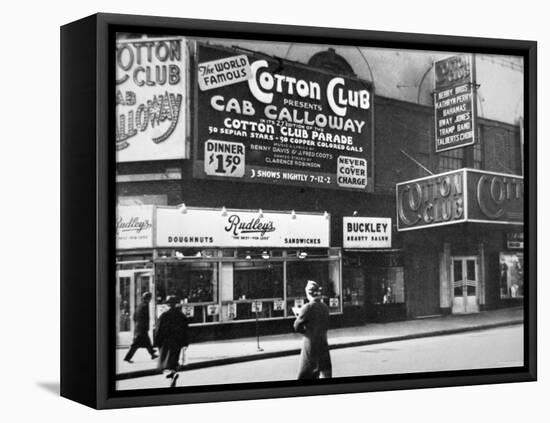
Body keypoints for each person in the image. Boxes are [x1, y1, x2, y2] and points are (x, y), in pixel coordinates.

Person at [293, 280, 332, 380]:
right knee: (325, 373)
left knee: (305, 374)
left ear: (308, 293)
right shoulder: (325, 307)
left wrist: (306, 331)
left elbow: (297, 326)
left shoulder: (307, 307)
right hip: (323, 343)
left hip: (310, 345)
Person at [154, 295, 190, 387]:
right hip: (177, 341)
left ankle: (170, 374)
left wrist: (157, 342)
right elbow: (186, 330)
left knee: (165, 360)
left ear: (168, 305)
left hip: (166, 342)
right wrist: (186, 342)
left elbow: (159, 329)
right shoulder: (181, 315)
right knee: (174, 359)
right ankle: (173, 374)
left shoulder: (164, 315)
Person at [124, 292, 157, 363]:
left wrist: (138, 324)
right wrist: (146, 326)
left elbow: (134, 317)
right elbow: (146, 318)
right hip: (142, 328)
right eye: (150, 298)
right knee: (135, 344)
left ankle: (152, 354)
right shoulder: (146, 306)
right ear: (148, 298)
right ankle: (127, 357)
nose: (150, 299)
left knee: (147, 342)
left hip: (138, 327)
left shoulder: (139, 306)